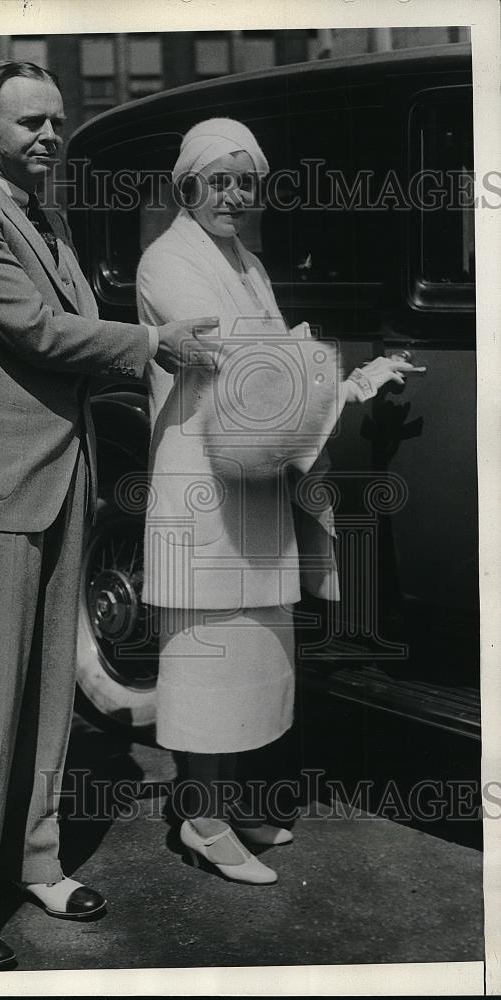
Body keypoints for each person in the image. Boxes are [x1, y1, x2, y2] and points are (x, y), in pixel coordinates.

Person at [0, 62, 220, 969]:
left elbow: (66, 327)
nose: (47, 136)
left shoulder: (41, 211)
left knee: (52, 687)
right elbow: (38, 332)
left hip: (61, 471)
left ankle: (37, 860)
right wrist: (153, 342)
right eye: (27, 124)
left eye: (55, 120)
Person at [136, 118, 424, 885]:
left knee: (257, 650)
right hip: (200, 486)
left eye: (246, 181)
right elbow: (249, 366)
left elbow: (273, 365)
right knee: (209, 653)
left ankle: (230, 804)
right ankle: (199, 817)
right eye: (219, 179)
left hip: (255, 481)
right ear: (187, 185)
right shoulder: (166, 260)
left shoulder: (251, 265)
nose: (234, 194)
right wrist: (346, 381)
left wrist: (347, 380)